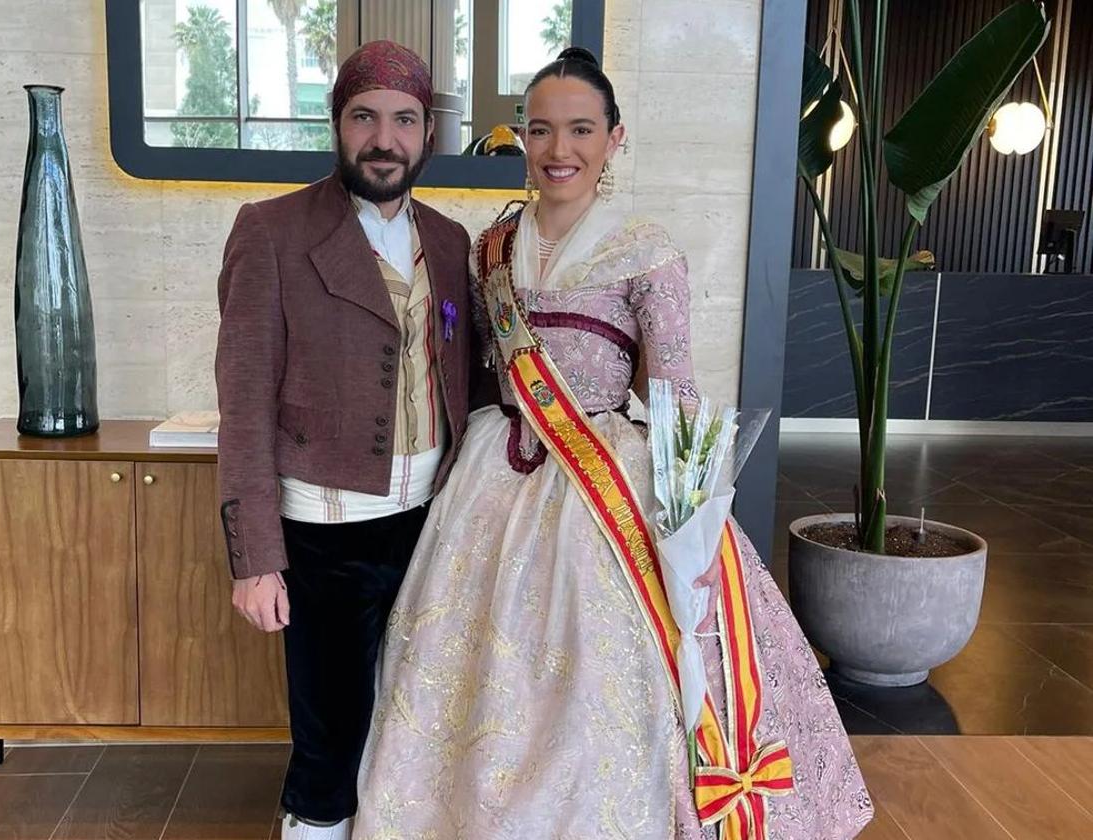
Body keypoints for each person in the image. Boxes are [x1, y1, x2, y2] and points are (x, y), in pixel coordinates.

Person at [354, 48, 873, 839]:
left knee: (604, 673)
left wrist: (694, 519)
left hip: (604, 482)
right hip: (493, 476)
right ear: (521, 139)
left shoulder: (647, 249)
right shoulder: (487, 248)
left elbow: (673, 395)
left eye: (581, 130)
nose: (559, 150)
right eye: (541, 130)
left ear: (614, 138)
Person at [214, 40, 480, 840]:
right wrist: (257, 555)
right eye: (364, 117)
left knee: (413, 725)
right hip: (324, 533)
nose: (384, 138)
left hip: (432, 521)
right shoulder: (271, 231)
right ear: (337, 126)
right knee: (330, 742)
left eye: (404, 120)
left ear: (428, 135)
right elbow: (243, 402)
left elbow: (470, 380)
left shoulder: (450, 241)